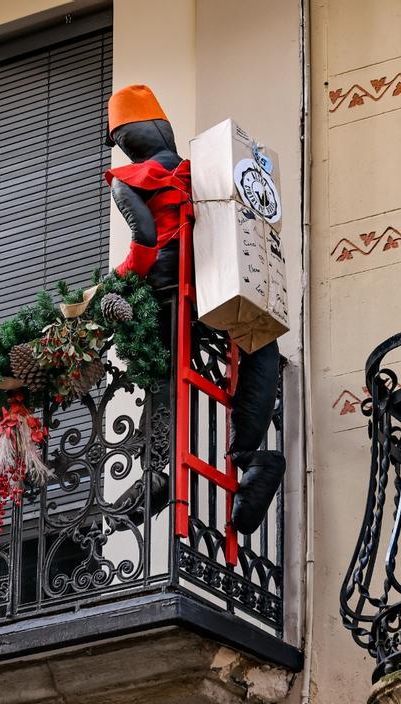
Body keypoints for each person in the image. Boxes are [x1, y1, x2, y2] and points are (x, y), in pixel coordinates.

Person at [105, 84, 284, 538]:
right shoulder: (196, 170)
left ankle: (158, 472)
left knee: (161, 373)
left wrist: (122, 279)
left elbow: (145, 239)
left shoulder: (129, 179)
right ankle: (252, 458)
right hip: (213, 280)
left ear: (126, 139)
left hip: (168, 286)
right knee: (259, 345)